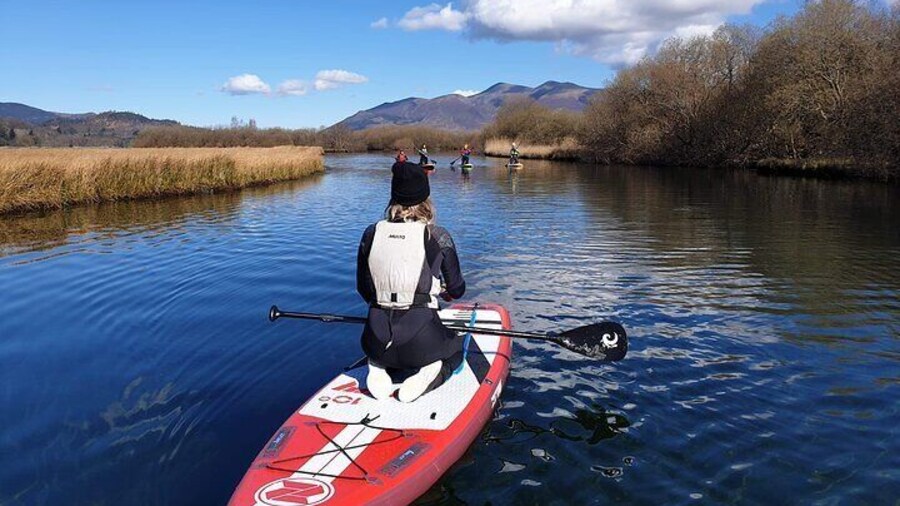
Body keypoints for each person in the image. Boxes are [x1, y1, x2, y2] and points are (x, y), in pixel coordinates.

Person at [356, 160, 466, 402]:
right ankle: (429, 372)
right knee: (457, 346)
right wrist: (444, 292)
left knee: (385, 348)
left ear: (393, 197)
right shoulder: (437, 236)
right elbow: (457, 289)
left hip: (375, 338)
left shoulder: (370, 233)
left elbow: (364, 289)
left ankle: (377, 367)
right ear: (426, 198)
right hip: (422, 341)